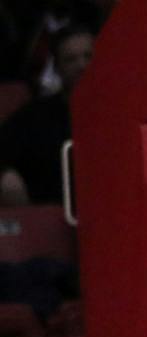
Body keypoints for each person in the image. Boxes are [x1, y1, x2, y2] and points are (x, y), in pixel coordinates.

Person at [0, 22, 89, 206]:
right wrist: (4, 174)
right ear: (56, 68)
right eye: (70, 59)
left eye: (88, 56)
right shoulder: (35, 116)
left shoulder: (122, 111)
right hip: (51, 218)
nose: (82, 65)